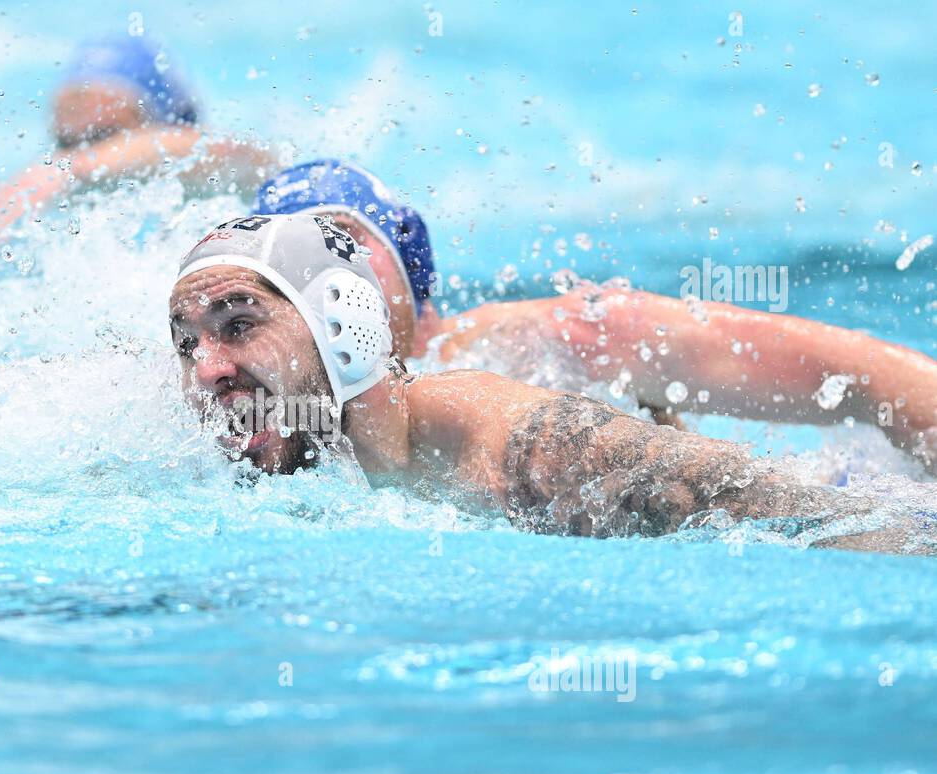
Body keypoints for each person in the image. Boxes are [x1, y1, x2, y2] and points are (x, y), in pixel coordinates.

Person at [169, 213, 930, 554]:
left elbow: (823, 521)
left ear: (344, 324)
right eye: (186, 343)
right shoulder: (245, 452)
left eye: (239, 325)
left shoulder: (514, 444)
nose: (207, 368)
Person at [252, 160, 937, 474]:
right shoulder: (229, 387)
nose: (314, 272)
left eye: (338, 240)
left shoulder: (547, 342)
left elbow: (866, 377)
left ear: (417, 294)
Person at [0, 35, 273, 240]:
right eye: (67, 141)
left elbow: (236, 153)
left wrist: (76, 167)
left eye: (105, 136)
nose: (79, 152)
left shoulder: (223, 180)